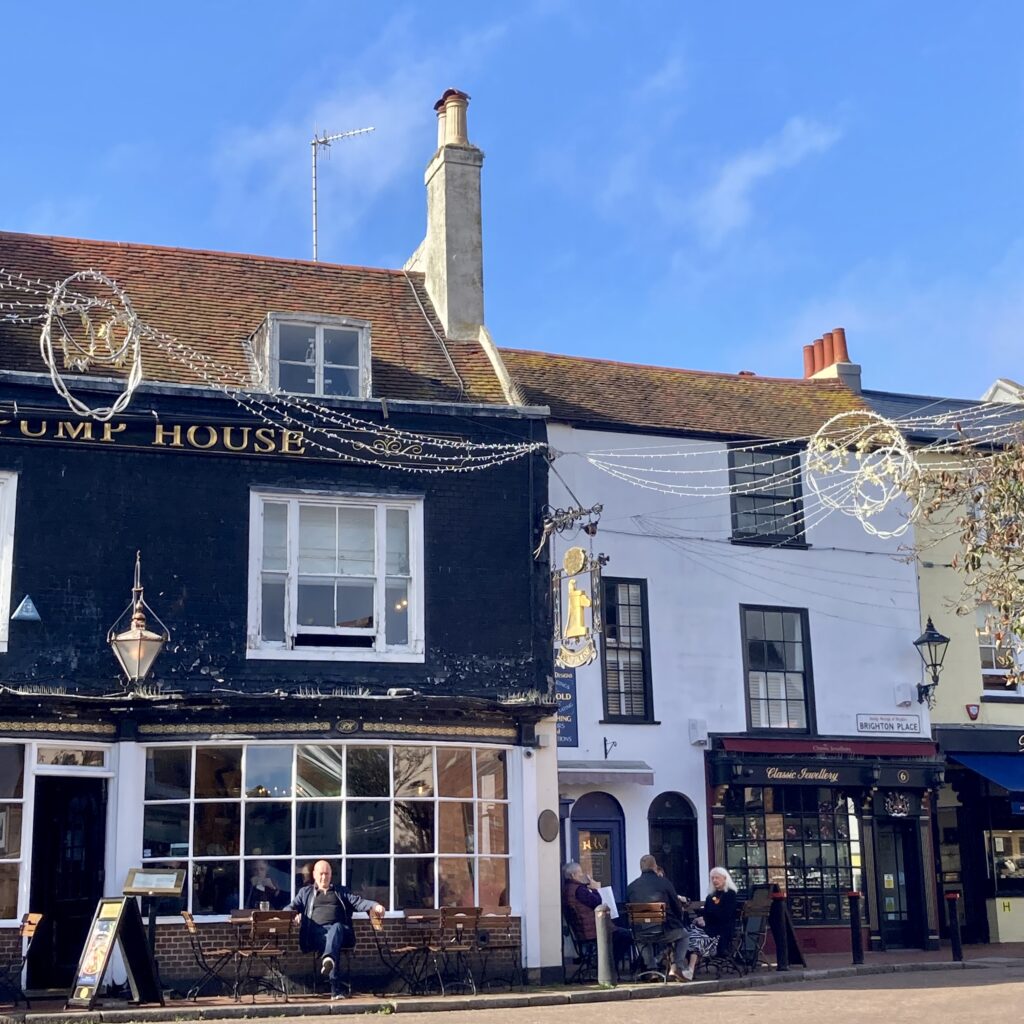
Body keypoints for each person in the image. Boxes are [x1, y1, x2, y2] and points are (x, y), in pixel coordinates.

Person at [287, 859, 385, 1000]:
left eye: (327, 874)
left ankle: (329, 959)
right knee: (332, 943)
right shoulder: (305, 893)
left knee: (336, 929)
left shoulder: (341, 891)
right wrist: (293, 915)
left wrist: (375, 906)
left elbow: (359, 902)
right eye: (321, 874)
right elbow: (289, 908)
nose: (324, 877)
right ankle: (335, 988)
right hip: (316, 935)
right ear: (314, 875)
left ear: (331, 875)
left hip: (341, 933)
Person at [625, 854, 690, 981]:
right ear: (655, 867)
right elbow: (676, 906)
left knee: (641, 939)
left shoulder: (631, 887)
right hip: (664, 930)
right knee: (684, 935)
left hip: (641, 932)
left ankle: (652, 969)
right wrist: (679, 921)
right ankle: (677, 966)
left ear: (640, 868)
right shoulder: (664, 883)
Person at [561, 862, 632, 970]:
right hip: (592, 931)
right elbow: (597, 902)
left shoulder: (569, 888)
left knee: (619, 929)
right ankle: (610, 966)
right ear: (573, 875)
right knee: (626, 936)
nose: (583, 875)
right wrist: (596, 888)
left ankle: (606, 964)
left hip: (583, 929)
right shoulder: (579, 890)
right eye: (580, 872)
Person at [681, 866, 740, 980]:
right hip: (708, 928)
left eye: (717, 878)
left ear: (724, 878)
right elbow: (707, 912)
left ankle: (690, 969)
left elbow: (725, 915)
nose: (714, 880)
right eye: (712, 878)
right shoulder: (710, 896)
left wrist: (706, 919)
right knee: (687, 935)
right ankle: (683, 968)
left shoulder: (730, 895)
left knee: (698, 938)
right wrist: (700, 919)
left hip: (721, 931)